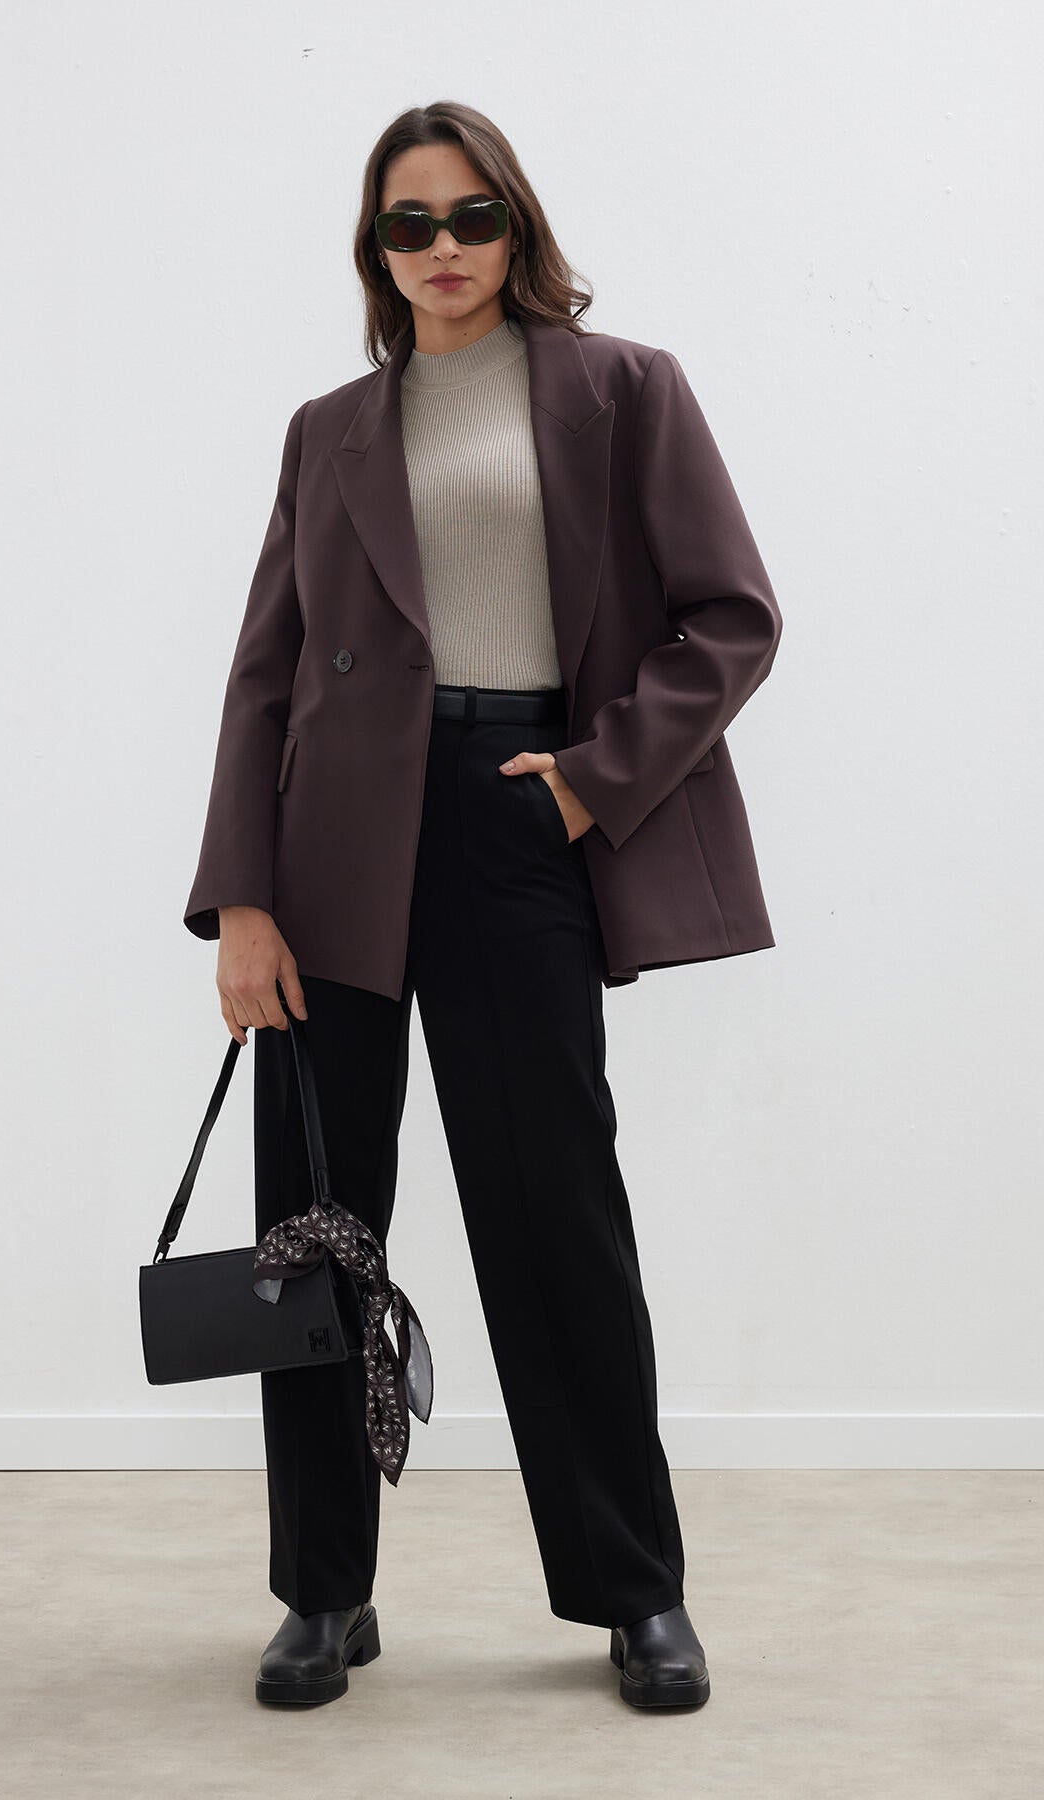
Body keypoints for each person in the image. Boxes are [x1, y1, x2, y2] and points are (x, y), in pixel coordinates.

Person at [183, 101, 782, 1712]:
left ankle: (634, 1589)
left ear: (517, 224)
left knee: (553, 1215)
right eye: (409, 224)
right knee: (314, 1231)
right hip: (330, 850)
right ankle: (322, 1591)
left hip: (519, 820)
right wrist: (242, 898)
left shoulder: (621, 389)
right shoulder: (329, 430)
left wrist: (590, 782)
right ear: (375, 250)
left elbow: (733, 617)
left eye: (471, 217)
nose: (442, 248)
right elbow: (263, 676)